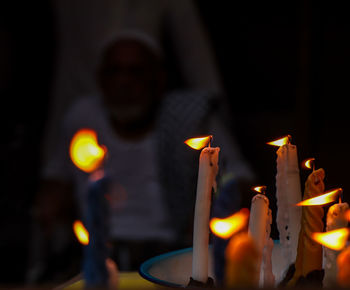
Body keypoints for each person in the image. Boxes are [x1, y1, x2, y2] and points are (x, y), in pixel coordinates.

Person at [27, 30, 254, 284]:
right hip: (95, 252)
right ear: (100, 79)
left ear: (158, 79)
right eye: (115, 71)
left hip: (171, 253)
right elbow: (56, 179)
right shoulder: (83, 117)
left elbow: (239, 177)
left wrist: (215, 212)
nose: (124, 82)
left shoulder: (188, 121)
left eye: (135, 71)